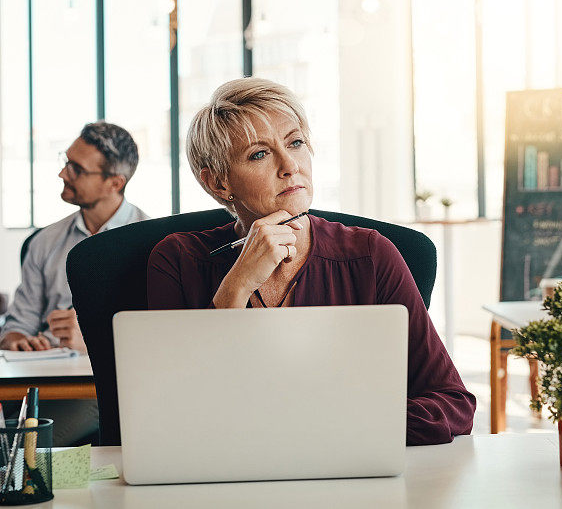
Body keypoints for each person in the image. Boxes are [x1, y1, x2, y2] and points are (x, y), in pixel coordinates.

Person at [147, 78, 476, 445]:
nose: (290, 166)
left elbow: (453, 403)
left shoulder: (370, 255)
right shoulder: (178, 260)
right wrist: (235, 288)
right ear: (218, 183)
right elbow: (173, 414)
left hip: (347, 470)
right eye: (259, 154)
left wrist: (338, 428)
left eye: (296, 142)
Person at [0, 121, 148, 444]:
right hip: (36, 383)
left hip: (99, 390)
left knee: (19, 444)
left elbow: (158, 343)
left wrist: (94, 340)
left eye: (76, 169)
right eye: (65, 162)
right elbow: (16, 325)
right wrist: (17, 339)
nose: (63, 174)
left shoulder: (152, 242)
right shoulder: (44, 242)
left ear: (114, 183)